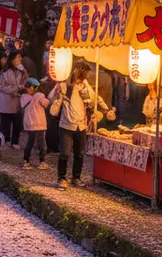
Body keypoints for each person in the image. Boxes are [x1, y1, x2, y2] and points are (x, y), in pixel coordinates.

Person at [48, 60, 114, 188]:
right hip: (66, 124)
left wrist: (105, 108)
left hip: (81, 125)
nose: (83, 79)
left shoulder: (85, 85)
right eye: (82, 75)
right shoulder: (65, 85)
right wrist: (58, 95)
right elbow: (51, 98)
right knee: (65, 153)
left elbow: (94, 98)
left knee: (79, 153)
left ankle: (76, 177)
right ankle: (61, 178)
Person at [0, 50, 28, 147]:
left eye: (20, 57)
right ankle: (5, 140)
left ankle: (15, 141)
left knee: (17, 123)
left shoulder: (21, 71)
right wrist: (16, 88)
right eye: (18, 57)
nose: (20, 59)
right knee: (5, 123)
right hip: (6, 101)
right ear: (12, 59)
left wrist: (24, 71)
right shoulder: (5, 72)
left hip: (17, 101)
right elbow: (1, 86)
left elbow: (25, 81)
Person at [20, 78, 51, 169]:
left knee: (30, 142)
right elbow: (46, 104)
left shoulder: (23, 97)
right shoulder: (39, 96)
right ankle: (42, 162)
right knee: (42, 144)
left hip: (30, 124)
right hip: (40, 123)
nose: (28, 89)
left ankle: (26, 161)